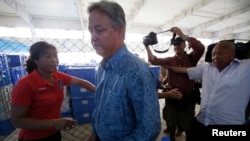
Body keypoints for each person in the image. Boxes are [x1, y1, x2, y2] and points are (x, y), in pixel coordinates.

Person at [87, 1, 161, 141]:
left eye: (99, 30)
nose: (93, 37)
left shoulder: (137, 71)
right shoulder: (102, 67)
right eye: (91, 30)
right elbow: (99, 105)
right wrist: (95, 132)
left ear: (119, 31)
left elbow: (149, 128)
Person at [11, 41, 96, 141]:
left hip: (54, 132)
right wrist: (54, 122)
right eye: (48, 56)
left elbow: (81, 82)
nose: (54, 60)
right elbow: (17, 121)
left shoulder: (58, 76)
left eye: (55, 56)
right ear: (36, 60)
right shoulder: (25, 85)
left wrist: (99, 92)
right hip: (34, 137)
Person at [166, 41, 250, 141]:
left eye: (220, 53)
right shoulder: (206, 68)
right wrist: (167, 66)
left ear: (232, 54)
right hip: (202, 121)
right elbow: (184, 70)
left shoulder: (245, 68)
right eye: (213, 54)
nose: (215, 57)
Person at [144, 27, 205, 141]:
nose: (177, 46)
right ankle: (171, 133)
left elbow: (200, 47)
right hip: (171, 95)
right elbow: (153, 60)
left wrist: (181, 34)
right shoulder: (169, 59)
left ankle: (181, 130)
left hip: (187, 96)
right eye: (175, 45)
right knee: (169, 119)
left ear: (184, 45)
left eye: (179, 44)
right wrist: (147, 46)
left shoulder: (192, 58)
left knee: (186, 122)